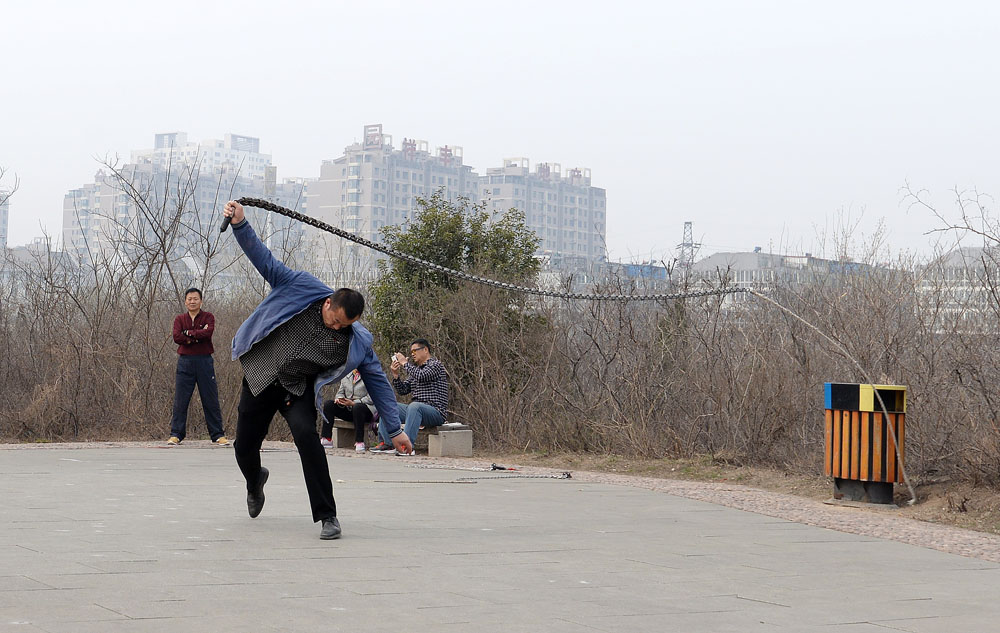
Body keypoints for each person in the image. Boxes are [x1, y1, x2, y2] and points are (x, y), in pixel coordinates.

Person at [222, 200, 412, 540]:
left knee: (309, 440)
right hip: (262, 374)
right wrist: (240, 225)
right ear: (328, 303)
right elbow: (264, 261)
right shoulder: (300, 286)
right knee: (243, 447)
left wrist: (395, 429)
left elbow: (379, 382)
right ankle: (255, 480)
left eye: (345, 325)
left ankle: (328, 516)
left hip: (297, 389)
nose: (338, 328)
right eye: (335, 320)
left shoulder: (356, 340)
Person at [168, 288, 228, 446]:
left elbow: (207, 334)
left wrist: (188, 334)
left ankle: (217, 435)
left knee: (210, 398)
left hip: (204, 361)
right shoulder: (180, 319)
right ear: (185, 301)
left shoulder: (208, 317)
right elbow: (176, 336)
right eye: (189, 299)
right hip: (185, 362)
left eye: (195, 299)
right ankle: (176, 434)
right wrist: (195, 336)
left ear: (201, 301)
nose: (192, 301)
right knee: (181, 399)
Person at [374, 338, 449, 456]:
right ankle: (388, 443)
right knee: (388, 406)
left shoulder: (435, 364)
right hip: (416, 410)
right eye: (411, 352)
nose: (412, 354)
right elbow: (403, 390)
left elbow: (422, 376)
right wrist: (396, 375)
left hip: (435, 411)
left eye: (415, 351)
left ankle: (407, 446)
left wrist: (404, 363)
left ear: (425, 350)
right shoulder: (416, 370)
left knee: (414, 407)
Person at [320, 369, 377, 452]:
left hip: (366, 410)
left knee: (357, 407)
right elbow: (340, 392)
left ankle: (359, 442)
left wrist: (354, 403)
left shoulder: (370, 374)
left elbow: (372, 398)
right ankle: (327, 438)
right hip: (349, 408)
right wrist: (339, 399)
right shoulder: (347, 375)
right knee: (329, 404)